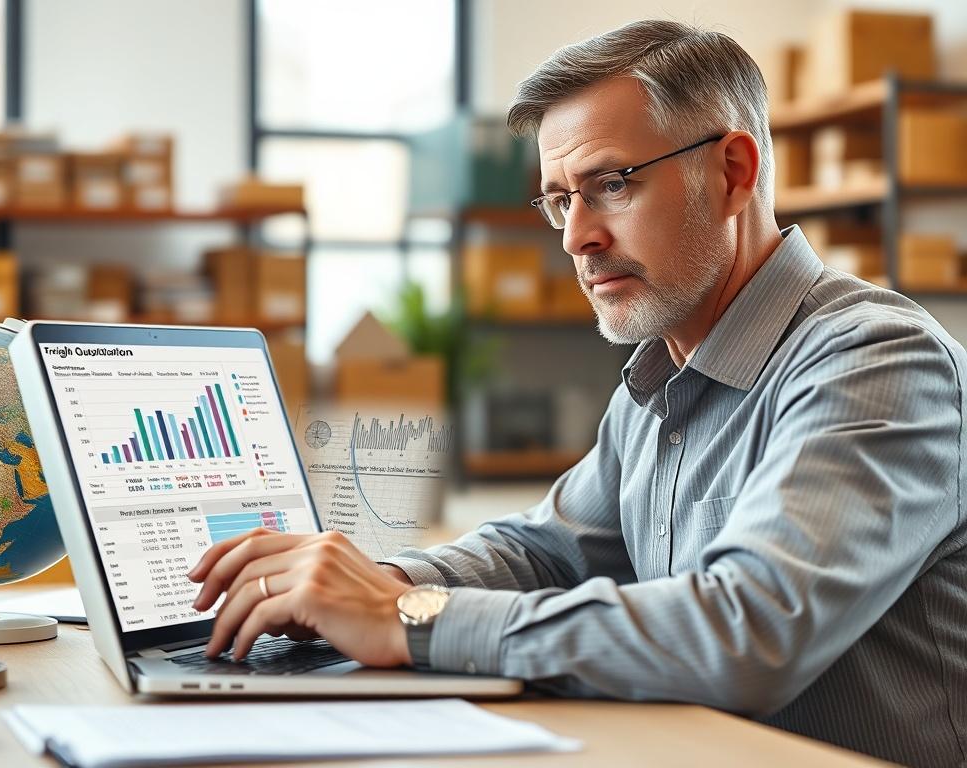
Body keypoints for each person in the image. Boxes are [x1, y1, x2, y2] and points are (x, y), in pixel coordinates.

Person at [188, 19, 967, 768]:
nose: (575, 237)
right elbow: (544, 552)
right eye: (561, 199)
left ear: (733, 172)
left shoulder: (875, 360)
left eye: (611, 185)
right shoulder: (658, 378)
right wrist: (375, 583)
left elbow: (749, 631)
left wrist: (405, 618)